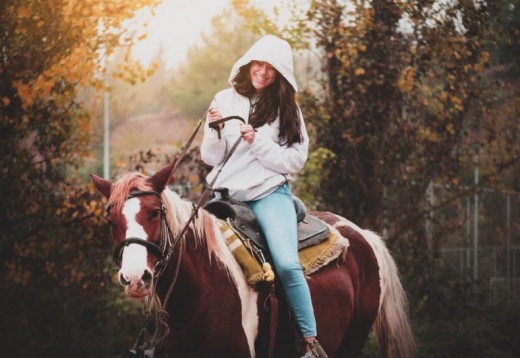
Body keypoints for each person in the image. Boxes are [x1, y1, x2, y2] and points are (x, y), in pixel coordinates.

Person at [200, 35, 326, 358]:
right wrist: (214, 130)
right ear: (248, 64)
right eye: (259, 64)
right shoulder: (223, 99)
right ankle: (160, 335)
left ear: (280, 74)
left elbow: (295, 161)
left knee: (285, 264)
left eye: (271, 68)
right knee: (185, 250)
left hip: (267, 195)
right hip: (225, 197)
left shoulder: (288, 110)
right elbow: (210, 157)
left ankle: (310, 343)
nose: (263, 72)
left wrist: (258, 142)